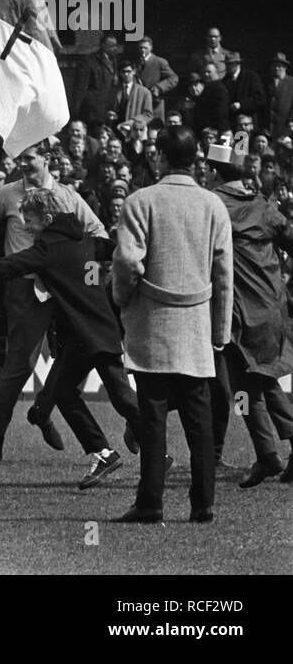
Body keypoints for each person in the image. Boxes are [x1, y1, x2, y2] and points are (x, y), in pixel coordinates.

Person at [0, 188, 143, 489]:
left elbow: (12, 264)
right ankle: (130, 452)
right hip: (99, 332)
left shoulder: (47, 250)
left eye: (29, 220)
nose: (25, 227)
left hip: (83, 336)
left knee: (104, 396)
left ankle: (116, 452)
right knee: (102, 395)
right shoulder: (87, 241)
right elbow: (119, 250)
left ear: (48, 219)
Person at [0, 140, 106, 461]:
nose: (22, 163)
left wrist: (88, 278)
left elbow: (98, 234)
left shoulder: (68, 196)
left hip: (65, 291)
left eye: (29, 158)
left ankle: (43, 409)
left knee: (75, 356)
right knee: (19, 365)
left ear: (48, 158)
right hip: (22, 289)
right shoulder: (5, 195)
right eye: (18, 158)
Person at [111, 126, 233, 524]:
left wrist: (122, 298)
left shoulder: (140, 200)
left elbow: (128, 263)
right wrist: (221, 332)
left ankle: (150, 502)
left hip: (152, 322)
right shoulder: (213, 204)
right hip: (196, 324)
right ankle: (204, 503)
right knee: (200, 420)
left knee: (153, 416)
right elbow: (224, 274)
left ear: (160, 156)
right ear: (195, 158)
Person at [206, 142, 293, 486]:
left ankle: (267, 455)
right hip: (271, 309)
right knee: (261, 380)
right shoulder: (264, 206)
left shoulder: (214, 207)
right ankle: (269, 454)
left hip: (237, 312)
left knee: (244, 388)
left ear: (214, 173)